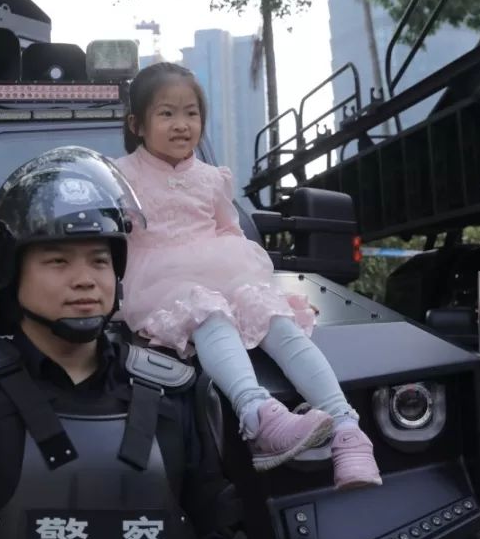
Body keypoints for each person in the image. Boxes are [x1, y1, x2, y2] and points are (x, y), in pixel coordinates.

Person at [0, 146, 248, 539]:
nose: (85, 280)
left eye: (99, 261)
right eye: (58, 261)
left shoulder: (178, 396)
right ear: (12, 273)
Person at [115, 62, 381, 491]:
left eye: (191, 113)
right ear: (137, 125)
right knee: (210, 315)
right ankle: (259, 415)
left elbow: (229, 231)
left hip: (223, 269)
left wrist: (253, 283)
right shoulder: (120, 176)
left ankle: (348, 431)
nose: (181, 124)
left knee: (275, 319)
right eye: (166, 113)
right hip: (161, 280)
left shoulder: (212, 178)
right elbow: (111, 238)